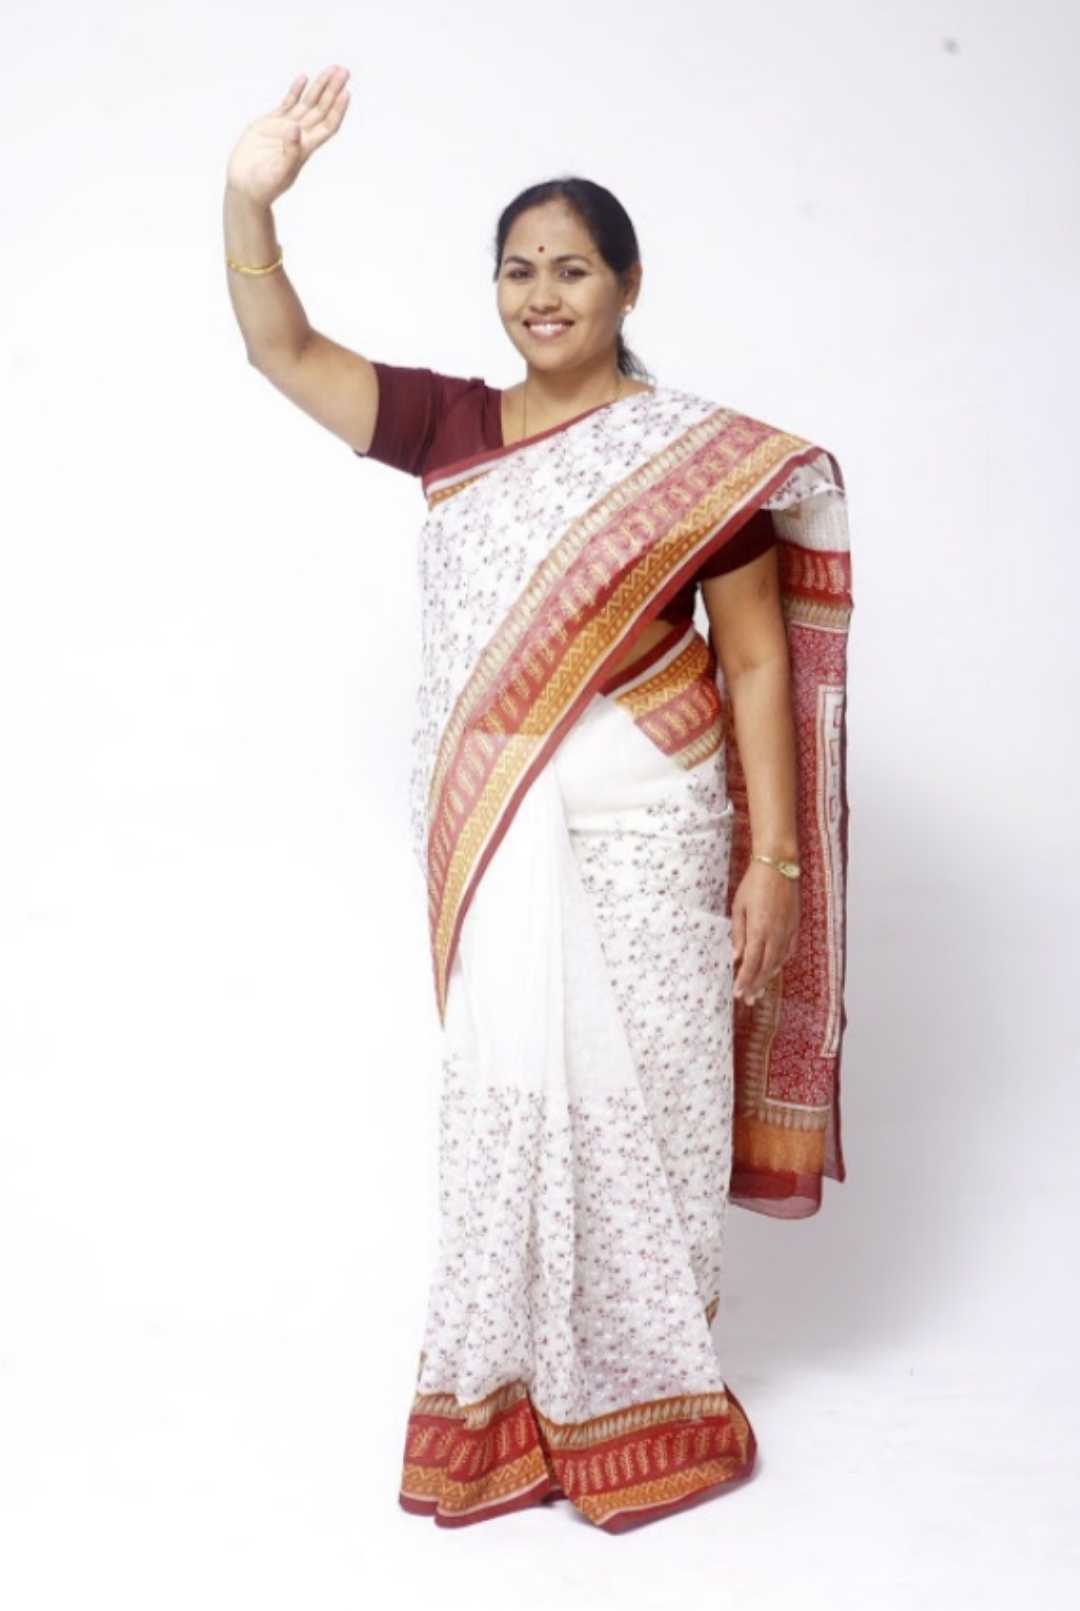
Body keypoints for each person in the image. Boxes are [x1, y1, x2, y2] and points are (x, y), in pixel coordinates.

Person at [224, 64, 854, 1534]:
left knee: (658, 1102)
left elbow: (756, 660)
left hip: (659, 830)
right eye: (519, 269)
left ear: (628, 285)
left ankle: (650, 1388)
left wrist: (772, 861)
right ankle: (504, 1395)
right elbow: (282, 350)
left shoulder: (693, 465)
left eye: (572, 269)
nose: (543, 295)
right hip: (508, 838)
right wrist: (249, 200)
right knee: (511, 1098)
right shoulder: (449, 427)